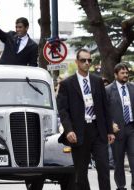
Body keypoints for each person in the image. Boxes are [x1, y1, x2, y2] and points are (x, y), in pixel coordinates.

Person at [57, 49, 115, 190]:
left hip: (97, 130)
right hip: (78, 132)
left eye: (89, 60)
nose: (87, 63)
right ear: (77, 62)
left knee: (104, 168)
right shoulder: (67, 84)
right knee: (81, 174)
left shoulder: (97, 81)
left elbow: (104, 108)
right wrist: (68, 130)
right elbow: (63, 111)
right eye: (83, 60)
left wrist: (110, 130)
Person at [106, 63, 134, 190]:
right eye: (122, 73)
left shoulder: (132, 88)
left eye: (126, 73)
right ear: (115, 74)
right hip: (117, 130)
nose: (125, 75)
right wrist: (110, 124)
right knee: (118, 160)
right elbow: (104, 111)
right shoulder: (108, 90)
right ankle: (121, 186)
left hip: (131, 128)